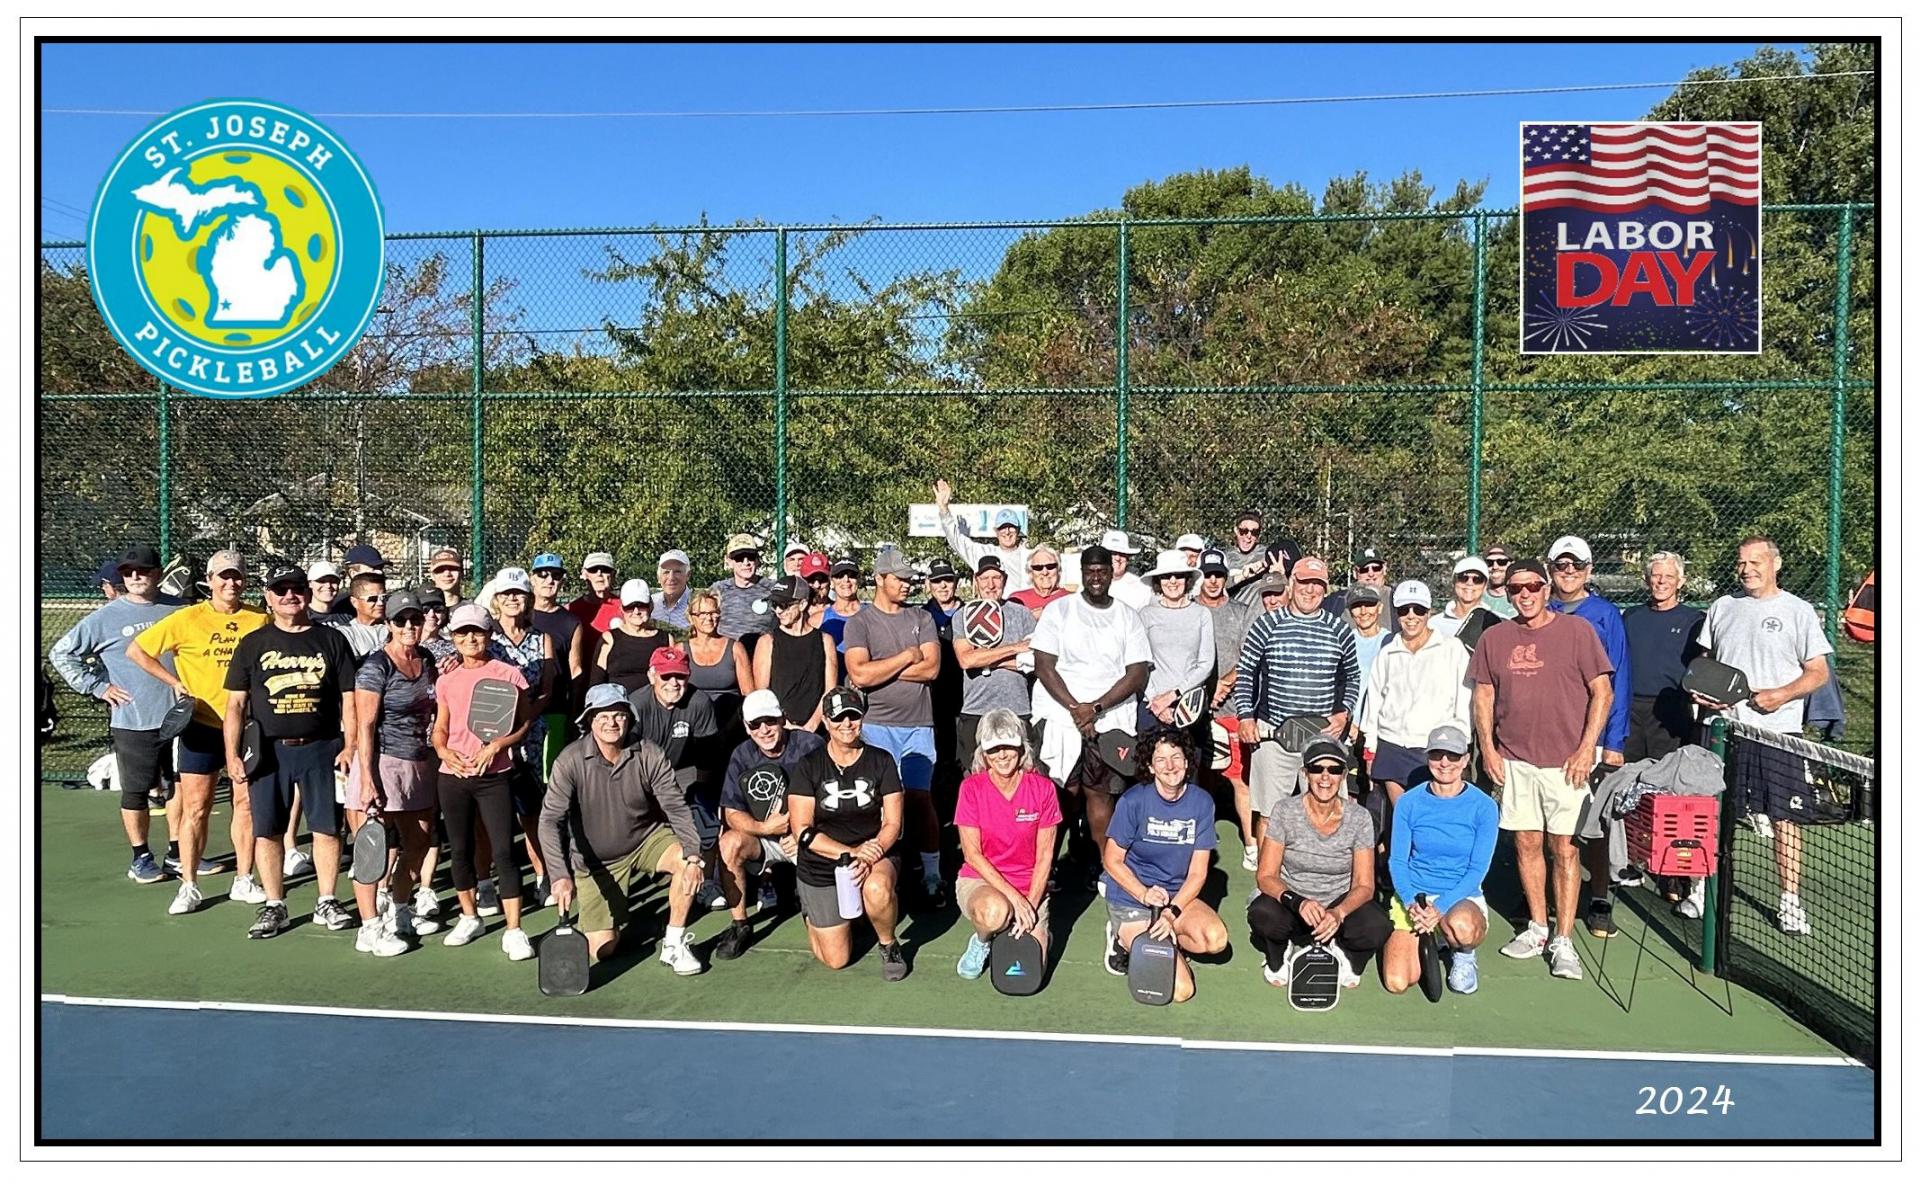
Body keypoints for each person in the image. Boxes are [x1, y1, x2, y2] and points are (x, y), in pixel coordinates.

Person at [1468, 558, 1613, 981]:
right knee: (1527, 844)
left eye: (1533, 586)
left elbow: (1601, 691)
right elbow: (1484, 696)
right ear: (1508, 593)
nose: (1525, 594)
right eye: (1516, 588)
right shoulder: (1495, 637)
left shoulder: (1578, 632)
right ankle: (1537, 928)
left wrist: (1587, 748)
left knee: (1565, 850)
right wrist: (1489, 750)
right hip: (1515, 761)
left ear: (1546, 589)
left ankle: (1564, 941)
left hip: (1567, 763)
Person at [1694, 537, 1834, 936]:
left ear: (1776, 563)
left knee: (1785, 817)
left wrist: (1780, 695)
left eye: (1755, 561)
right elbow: (1706, 663)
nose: (1747, 569)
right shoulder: (1723, 607)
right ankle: (1703, 888)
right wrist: (1703, 689)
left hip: (1777, 734)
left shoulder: (1799, 611)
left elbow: (1818, 672)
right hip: (1723, 731)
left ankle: (1790, 902)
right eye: (1741, 562)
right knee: (1714, 813)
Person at [49, 543, 196, 896]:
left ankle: (179, 853)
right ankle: (141, 857)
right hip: (134, 719)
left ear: (157, 574)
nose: (134, 577)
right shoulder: (105, 618)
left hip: (183, 716)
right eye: (128, 572)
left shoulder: (181, 610)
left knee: (180, 786)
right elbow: (61, 653)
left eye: (142, 571)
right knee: (137, 790)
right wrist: (97, 687)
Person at [222, 563, 359, 940]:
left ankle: (327, 900)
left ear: (307, 592)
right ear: (268, 596)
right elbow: (235, 705)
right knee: (267, 830)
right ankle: (274, 904)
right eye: (280, 590)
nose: (289, 596)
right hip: (268, 752)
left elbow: (349, 699)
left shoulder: (331, 640)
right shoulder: (253, 644)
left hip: (322, 749)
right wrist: (232, 755)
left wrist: (350, 745)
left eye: (296, 588)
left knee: (327, 829)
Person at [127, 550, 268, 909]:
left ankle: (243, 878)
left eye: (236, 576)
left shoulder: (260, 620)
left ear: (245, 580)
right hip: (201, 725)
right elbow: (137, 650)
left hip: (247, 729)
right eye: (223, 576)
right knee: (195, 808)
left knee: (245, 805)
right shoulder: (187, 618)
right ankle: (188, 885)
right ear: (209, 579)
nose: (230, 583)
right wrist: (173, 681)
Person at [541, 683, 709, 975]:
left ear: (629, 718)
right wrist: (559, 876)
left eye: (619, 715)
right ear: (589, 720)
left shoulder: (649, 753)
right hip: (596, 861)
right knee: (603, 950)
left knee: (685, 861)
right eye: (602, 716)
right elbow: (548, 820)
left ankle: (674, 943)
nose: (611, 723)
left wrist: (694, 856)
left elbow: (676, 806)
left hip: (646, 839)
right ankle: (621, 921)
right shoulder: (569, 760)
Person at [1029, 544, 1151, 860]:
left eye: (1102, 571)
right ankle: (1048, 867)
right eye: (1090, 571)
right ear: (1082, 574)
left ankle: (1108, 868)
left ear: (1112, 573)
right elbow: (1044, 665)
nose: (1096, 577)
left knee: (1101, 796)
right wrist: (1075, 708)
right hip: (1060, 718)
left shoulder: (1127, 616)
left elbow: (1137, 674)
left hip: (1109, 723)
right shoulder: (1059, 610)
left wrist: (1094, 709)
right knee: (1060, 796)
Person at [430, 603, 536, 959]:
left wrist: (498, 746)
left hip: (495, 775)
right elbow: (440, 727)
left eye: (477, 631)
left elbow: (523, 722)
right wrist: (444, 753)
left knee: (504, 851)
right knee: (459, 850)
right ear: (454, 639)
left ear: (489, 635)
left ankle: (514, 929)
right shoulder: (446, 680)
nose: (470, 638)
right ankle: (469, 916)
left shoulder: (509, 674)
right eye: (462, 633)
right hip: (454, 776)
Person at [1233, 556, 1361, 846]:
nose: (1310, 590)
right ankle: (1267, 883)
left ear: (1326, 589)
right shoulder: (1265, 624)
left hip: (1323, 738)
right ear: (1291, 583)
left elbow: (1353, 677)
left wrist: (1344, 714)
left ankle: (1325, 882)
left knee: (1327, 814)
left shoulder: (1340, 629)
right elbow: (1246, 674)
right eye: (1304, 582)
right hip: (1273, 736)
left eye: (1317, 584)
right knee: (1270, 815)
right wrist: (1245, 716)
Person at [843, 546, 945, 905]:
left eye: (908, 579)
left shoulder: (922, 617)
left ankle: (932, 874)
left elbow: (931, 668)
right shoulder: (860, 622)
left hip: (918, 725)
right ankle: (882, 874)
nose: (906, 585)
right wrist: (905, 656)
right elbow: (859, 673)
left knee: (919, 799)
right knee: (881, 805)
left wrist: (882, 667)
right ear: (879, 579)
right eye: (899, 579)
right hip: (875, 726)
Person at [1246, 736, 1390, 989]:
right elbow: (1266, 876)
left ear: (1344, 775)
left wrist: (1338, 912)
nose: (1325, 777)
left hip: (1338, 901)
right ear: (1305, 773)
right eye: (1316, 769)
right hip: (1294, 900)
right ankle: (1279, 954)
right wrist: (1298, 902)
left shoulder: (1360, 817)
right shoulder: (1284, 810)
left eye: (1334, 770)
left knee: (1377, 926)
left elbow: (1364, 885)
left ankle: (1346, 954)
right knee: (1262, 914)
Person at [787, 685, 910, 980]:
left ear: (862, 718)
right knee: (836, 959)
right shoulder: (809, 766)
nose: (846, 724)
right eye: (839, 717)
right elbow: (802, 831)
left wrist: (873, 851)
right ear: (827, 722)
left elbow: (893, 822)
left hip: (874, 850)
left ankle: (888, 944)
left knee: (877, 889)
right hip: (822, 862)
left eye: (853, 716)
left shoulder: (881, 760)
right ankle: (813, 912)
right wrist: (851, 854)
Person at [1099, 728, 1230, 999]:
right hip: (1132, 898)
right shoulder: (1133, 801)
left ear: (1187, 761)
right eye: (1161, 759)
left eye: (1176, 757)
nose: (1170, 766)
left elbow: (1197, 873)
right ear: (1150, 765)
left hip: (1174, 898)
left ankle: (1164, 939)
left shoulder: (1202, 802)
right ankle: (1119, 938)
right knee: (1182, 991)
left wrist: (1171, 912)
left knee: (1215, 940)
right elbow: (1112, 861)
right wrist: (1144, 893)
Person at [1546, 534, 1632, 935]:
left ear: (1588, 570)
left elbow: (1619, 681)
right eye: (1561, 566)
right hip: (1548, 736)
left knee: (1593, 822)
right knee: (1549, 823)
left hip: (1592, 738)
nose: (1568, 573)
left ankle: (1598, 896)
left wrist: (1612, 742)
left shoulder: (1606, 614)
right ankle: (1550, 895)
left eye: (1575, 566)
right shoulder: (1540, 610)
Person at [347, 588, 438, 954]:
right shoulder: (375, 666)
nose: (409, 626)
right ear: (389, 624)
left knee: (418, 843)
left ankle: (399, 910)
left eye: (415, 619)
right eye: (401, 620)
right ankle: (369, 927)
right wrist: (368, 778)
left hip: (418, 763)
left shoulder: (428, 658)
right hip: (380, 763)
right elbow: (365, 726)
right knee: (371, 852)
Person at [1382, 724, 1499, 995]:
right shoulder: (1408, 802)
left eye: (1453, 756)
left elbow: (1478, 868)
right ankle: (1434, 937)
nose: (1444, 763)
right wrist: (1412, 903)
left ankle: (1463, 953)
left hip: (1459, 897)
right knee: (1397, 982)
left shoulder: (1484, 807)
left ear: (1466, 759)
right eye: (1437, 755)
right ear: (1428, 757)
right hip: (1416, 899)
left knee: (1462, 927)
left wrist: (1440, 907)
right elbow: (1398, 861)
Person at [713, 688, 825, 958]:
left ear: (782, 719)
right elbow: (731, 813)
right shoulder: (742, 755)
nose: (763, 730)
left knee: (827, 941)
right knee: (729, 842)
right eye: (755, 724)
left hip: (808, 837)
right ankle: (740, 924)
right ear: (746, 727)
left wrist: (802, 832)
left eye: (770, 721)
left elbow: (831, 803)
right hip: (766, 838)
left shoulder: (812, 746)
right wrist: (765, 829)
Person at [952, 708, 1061, 980]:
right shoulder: (971, 788)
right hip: (982, 881)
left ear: (1021, 748)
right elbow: (972, 854)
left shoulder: (1043, 789)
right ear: (983, 754)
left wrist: (1031, 906)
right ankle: (982, 940)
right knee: (995, 912)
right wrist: (1015, 900)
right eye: (994, 749)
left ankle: (1041, 930)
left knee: (1031, 973)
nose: (1002, 756)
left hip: (1030, 884)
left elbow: (1045, 855)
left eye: (1009, 747)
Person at [1358, 580, 1473, 808]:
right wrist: (1370, 750)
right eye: (1404, 610)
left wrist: (1458, 745)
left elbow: (1464, 700)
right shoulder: (1387, 652)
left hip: (1434, 749)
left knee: (1431, 818)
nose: (1411, 616)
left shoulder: (1452, 649)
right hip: (1391, 746)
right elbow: (1374, 702)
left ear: (1429, 612)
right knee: (1402, 816)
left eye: (1418, 609)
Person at [626, 645, 725, 908]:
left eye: (679, 676)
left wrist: (699, 795)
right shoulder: (637, 705)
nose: (673, 683)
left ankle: (706, 882)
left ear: (688, 676)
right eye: (665, 676)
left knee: (704, 813)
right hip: (640, 773)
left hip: (683, 770)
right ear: (651, 676)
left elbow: (706, 758)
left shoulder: (699, 702)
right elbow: (627, 759)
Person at [489, 567, 556, 907]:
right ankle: (497, 882)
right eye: (506, 594)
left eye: (519, 593)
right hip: (492, 736)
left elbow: (546, 688)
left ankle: (544, 875)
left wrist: (526, 719)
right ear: (496, 600)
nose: (513, 599)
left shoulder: (541, 638)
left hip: (532, 733)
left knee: (533, 811)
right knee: (496, 812)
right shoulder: (486, 638)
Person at [1196, 547, 1258, 871]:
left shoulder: (1240, 610)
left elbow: (1250, 655)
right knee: (1201, 777)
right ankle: (1201, 837)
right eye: (1208, 575)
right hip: (1196, 710)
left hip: (1233, 708)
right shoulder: (1190, 611)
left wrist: (1224, 684)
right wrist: (1206, 691)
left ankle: (1251, 843)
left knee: (1239, 779)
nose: (1214, 580)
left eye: (1219, 574)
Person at [950, 555, 1039, 766]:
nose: (991, 585)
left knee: (1020, 771)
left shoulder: (1022, 615)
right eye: (985, 578)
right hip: (976, 710)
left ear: (1005, 580)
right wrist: (1014, 648)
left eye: (996, 578)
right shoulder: (963, 615)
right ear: (976, 581)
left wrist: (986, 657)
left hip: (1017, 709)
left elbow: (1031, 662)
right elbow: (966, 660)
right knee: (975, 775)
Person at [1622, 551, 1706, 763]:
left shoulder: (1695, 621)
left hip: (1670, 711)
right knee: (1628, 775)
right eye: (1656, 575)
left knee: (1667, 777)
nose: (1661, 581)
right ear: (1647, 579)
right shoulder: (1631, 617)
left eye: (1669, 576)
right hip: (1631, 710)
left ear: (1680, 582)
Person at [1137, 549, 1215, 738]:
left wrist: (1175, 695)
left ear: (1187, 579)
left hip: (1190, 707)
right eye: (1166, 576)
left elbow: (1206, 664)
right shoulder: (1145, 614)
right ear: (1158, 581)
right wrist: (1155, 701)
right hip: (1151, 707)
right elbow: (1139, 663)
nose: (1172, 581)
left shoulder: (1202, 614)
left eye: (1178, 575)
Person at [529, 550, 588, 777]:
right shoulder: (520, 615)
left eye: (555, 575)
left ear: (562, 581)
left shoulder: (570, 622)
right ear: (532, 578)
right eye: (542, 574)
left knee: (550, 775)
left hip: (555, 709)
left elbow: (575, 669)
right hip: (521, 708)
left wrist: (574, 713)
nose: (549, 580)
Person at [752, 574, 837, 733]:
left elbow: (829, 690)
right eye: (774, 604)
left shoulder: (825, 641)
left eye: (784, 605)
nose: (778, 611)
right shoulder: (767, 641)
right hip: (779, 729)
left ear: (803, 604)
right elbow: (763, 692)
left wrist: (812, 725)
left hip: (816, 730)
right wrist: (784, 724)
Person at [933, 478, 1033, 592]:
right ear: (996, 532)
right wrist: (944, 510)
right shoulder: (984, 553)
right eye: (1002, 528)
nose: (1007, 532)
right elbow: (957, 541)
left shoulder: (1030, 556)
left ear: (1018, 530)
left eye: (1011, 527)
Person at [922, 557, 967, 804]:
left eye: (947, 580)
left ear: (956, 583)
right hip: (933, 699)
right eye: (937, 581)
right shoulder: (921, 615)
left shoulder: (970, 612)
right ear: (929, 584)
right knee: (937, 760)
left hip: (965, 698)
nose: (943, 586)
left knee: (962, 760)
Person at [686, 588, 756, 738]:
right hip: (694, 720)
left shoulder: (735, 648)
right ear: (691, 618)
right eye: (702, 614)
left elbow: (748, 693)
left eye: (713, 613)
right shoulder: (681, 650)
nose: (709, 618)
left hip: (729, 721)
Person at [594, 577, 669, 694]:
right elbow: (596, 683)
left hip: (654, 708)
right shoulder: (609, 639)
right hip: (618, 707)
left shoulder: (666, 639)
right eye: (630, 606)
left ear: (650, 606)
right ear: (621, 609)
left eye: (641, 605)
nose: (636, 611)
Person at [710, 533, 775, 648]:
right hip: (728, 654)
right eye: (739, 558)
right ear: (729, 561)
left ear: (757, 560)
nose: (746, 563)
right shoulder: (718, 589)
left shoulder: (772, 588)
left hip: (762, 653)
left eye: (750, 557)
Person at [1342, 582, 1388, 733]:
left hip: (1379, 729)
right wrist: (1349, 725)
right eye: (1357, 606)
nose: (1363, 611)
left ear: (1379, 607)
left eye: (1369, 604)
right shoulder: (1343, 641)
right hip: (1347, 728)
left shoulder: (1391, 642)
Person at [1431, 556, 1503, 644]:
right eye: (1463, 578)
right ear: (1454, 582)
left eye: (1477, 579)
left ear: (1485, 586)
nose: (1469, 583)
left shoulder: (1497, 622)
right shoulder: (1433, 624)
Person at [325, 571, 389, 660]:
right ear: (355, 602)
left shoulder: (397, 627)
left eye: (384, 597)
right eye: (373, 599)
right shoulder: (347, 633)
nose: (380, 603)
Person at [567, 551, 623, 644]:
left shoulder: (626, 608)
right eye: (593, 569)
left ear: (613, 574)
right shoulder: (571, 610)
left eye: (605, 569)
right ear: (584, 574)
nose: (599, 573)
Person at [1325, 545, 1391, 620]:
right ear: (1355, 573)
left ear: (1384, 569)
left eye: (1376, 568)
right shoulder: (1338, 601)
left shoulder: (1395, 599)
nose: (1371, 574)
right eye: (1364, 570)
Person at [1008, 546, 1070, 617]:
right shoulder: (1017, 600)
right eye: (1038, 568)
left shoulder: (1072, 599)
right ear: (1030, 573)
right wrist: (1030, 619)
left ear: (1058, 570)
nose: (1045, 572)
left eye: (1050, 566)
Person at [822, 557, 865, 652]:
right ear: (831, 582)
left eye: (852, 575)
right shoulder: (818, 620)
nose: (846, 580)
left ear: (858, 580)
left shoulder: (874, 614)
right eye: (839, 576)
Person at [1221, 511, 1267, 600]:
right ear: (1236, 531)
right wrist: (1241, 576)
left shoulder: (1265, 555)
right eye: (1244, 531)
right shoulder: (1225, 558)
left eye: (1254, 532)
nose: (1249, 536)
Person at [1102, 529, 1151, 611]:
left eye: (1122, 554)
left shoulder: (1141, 589)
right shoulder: (1089, 583)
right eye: (1112, 553)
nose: (1117, 558)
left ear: (1128, 558)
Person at [652, 549, 693, 632]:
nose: (671, 578)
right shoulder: (650, 604)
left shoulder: (698, 605)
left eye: (677, 572)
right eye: (666, 572)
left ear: (688, 575)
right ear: (658, 577)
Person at [1481, 545, 1518, 619]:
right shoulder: (1477, 598)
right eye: (1489, 563)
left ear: (1511, 564)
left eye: (1501, 562)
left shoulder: (1520, 596)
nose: (1495, 567)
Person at [800, 551, 832, 631]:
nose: (817, 585)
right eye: (811, 579)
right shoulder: (795, 612)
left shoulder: (838, 610)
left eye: (822, 579)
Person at [426, 546, 465, 610]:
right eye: (440, 570)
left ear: (461, 573)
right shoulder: (425, 611)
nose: (447, 574)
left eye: (452, 568)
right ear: (432, 575)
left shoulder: (471, 610)